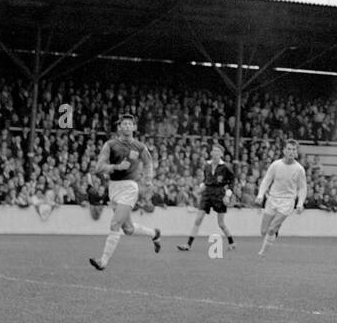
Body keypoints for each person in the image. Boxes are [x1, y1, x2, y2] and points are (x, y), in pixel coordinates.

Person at [89, 114, 161, 270]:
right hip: (113, 188)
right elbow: (98, 167)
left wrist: (148, 179)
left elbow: (148, 163)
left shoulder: (140, 146)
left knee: (115, 223)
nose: (128, 126)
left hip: (129, 187)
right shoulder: (110, 144)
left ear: (134, 127)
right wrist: (115, 167)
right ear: (119, 127)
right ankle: (154, 234)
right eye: (125, 124)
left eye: (130, 124)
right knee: (128, 229)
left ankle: (103, 261)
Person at [178, 142, 236, 251]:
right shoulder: (207, 165)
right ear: (211, 153)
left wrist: (228, 195)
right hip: (207, 193)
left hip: (219, 194)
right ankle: (188, 245)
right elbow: (206, 180)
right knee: (198, 219)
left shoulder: (225, 167)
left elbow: (232, 181)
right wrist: (200, 189)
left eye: (218, 151)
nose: (215, 153)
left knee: (221, 223)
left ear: (222, 154)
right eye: (214, 151)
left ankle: (231, 242)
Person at [256, 140, 306, 257]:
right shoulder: (276, 165)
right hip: (272, 199)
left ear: (296, 152)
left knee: (272, 228)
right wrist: (260, 195)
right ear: (284, 150)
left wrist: (300, 203)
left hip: (287, 201)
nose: (291, 152)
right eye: (289, 149)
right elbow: (267, 180)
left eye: (294, 149)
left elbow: (303, 188)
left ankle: (262, 253)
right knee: (264, 231)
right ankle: (274, 231)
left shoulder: (299, 169)